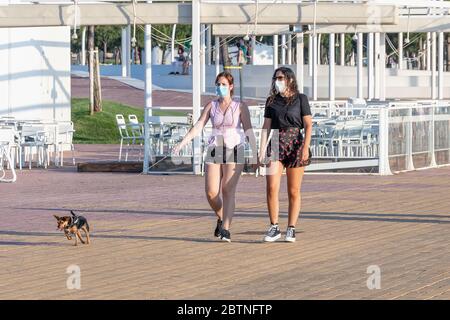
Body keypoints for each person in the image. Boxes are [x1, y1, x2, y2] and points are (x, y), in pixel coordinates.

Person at [172, 72, 258, 242]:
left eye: (224, 84)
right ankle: (221, 216)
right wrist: (182, 143)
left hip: (235, 148)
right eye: (218, 84)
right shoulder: (211, 106)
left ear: (231, 87)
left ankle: (226, 228)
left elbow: (248, 130)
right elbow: (198, 126)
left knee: (227, 188)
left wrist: (255, 155)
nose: (220, 87)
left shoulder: (240, 106)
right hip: (215, 148)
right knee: (211, 193)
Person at [258, 67, 313, 243]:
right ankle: (274, 226)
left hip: (295, 141)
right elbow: (266, 126)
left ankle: (291, 227)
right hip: (275, 142)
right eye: (275, 78)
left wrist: (306, 147)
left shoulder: (301, 99)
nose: (277, 81)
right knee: (272, 187)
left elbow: (309, 124)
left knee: (293, 190)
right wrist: (260, 150)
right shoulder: (271, 101)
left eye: (281, 78)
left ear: (289, 79)